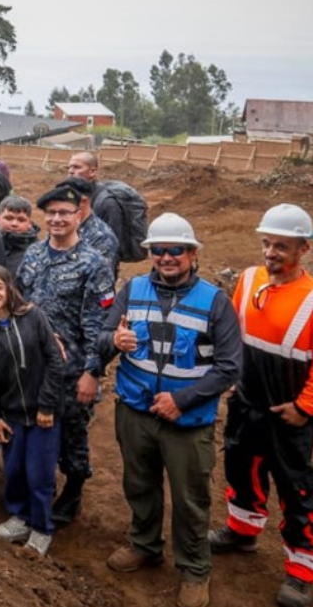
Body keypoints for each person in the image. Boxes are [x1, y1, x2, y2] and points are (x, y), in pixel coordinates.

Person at [100, 213, 241, 607]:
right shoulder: (133, 289)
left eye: (175, 250)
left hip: (187, 421)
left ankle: (194, 569)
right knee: (139, 485)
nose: (166, 257)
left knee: (190, 497)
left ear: (192, 253)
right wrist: (114, 337)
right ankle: (144, 544)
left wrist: (182, 400)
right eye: (158, 250)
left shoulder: (215, 301)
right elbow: (103, 337)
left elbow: (230, 366)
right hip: (134, 411)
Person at [207, 204, 313, 607]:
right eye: (267, 243)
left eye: (281, 246)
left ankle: (302, 570)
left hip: (290, 408)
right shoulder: (249, 279)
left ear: (303, 248)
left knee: (295, 486)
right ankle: (243, 530)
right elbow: (233, 334)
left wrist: (304, 408)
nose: (271, 252)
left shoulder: (311, 298)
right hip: (246, 398)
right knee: (239, 463)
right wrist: (230, 381)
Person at [17, 184, 115, 527]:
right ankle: (37, 488)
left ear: (78, 215)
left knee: (73, 433)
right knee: (37, 428)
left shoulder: (94, 264)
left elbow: (99, 327)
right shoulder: (33, 255)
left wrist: (93, 372)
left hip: (74, 370)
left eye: (64, 213)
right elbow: (20, 305)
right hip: (34, 366)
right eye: (52, 213)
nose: (57, 219)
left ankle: (73, 491)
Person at [0, 264, 64, 556]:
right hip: (10, 414)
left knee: (39, 473)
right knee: (14, 470)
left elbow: (55, 360)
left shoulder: (33, 316)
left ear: (9, 287)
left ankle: (41, 527)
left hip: (43, 415)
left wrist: (47, 405)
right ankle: (20, 517)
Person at [0, 195, 38, 274]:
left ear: (29, 223)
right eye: (9, 218)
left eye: (21, 220)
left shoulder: (38, 252)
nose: (14, 224)